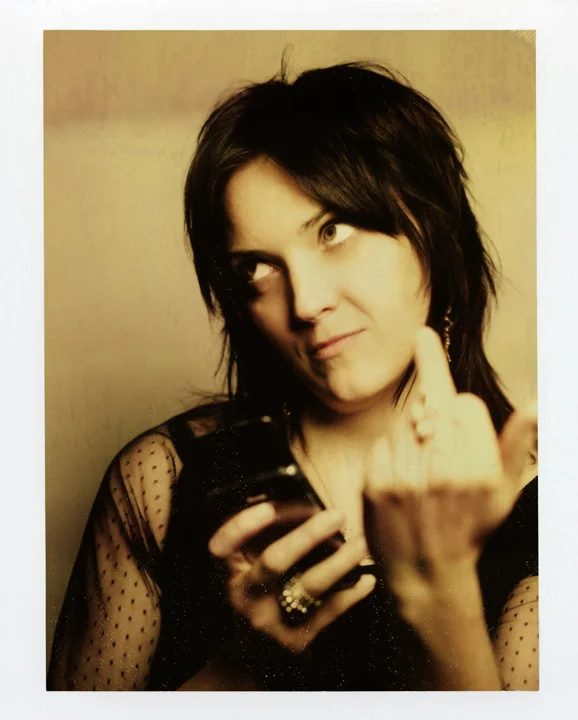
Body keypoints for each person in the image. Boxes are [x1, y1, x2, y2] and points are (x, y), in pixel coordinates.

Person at [47, 60, 538, 691]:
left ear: (431, 229)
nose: (305, 303)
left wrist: (440, 598)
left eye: (333, 231)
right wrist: (248, 662)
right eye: (257, 268)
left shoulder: (548, 511)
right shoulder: (162, 479)